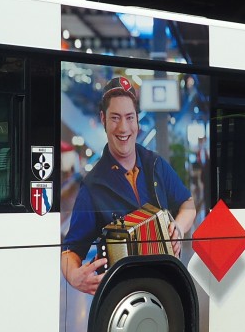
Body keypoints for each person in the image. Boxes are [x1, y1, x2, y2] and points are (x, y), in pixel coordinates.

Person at [61, 76, 197, 294]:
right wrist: (73, 276)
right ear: (103, 119)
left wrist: (178, 227)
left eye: (129, 117)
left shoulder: (155, 165)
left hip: (167, 288)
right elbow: (71, 249)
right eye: (115, 118)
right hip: (123, 298)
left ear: (137, 121)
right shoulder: (93, 186)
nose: (123, 127)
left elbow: (188, 204)